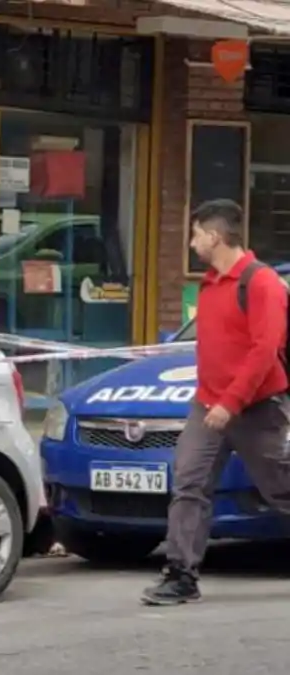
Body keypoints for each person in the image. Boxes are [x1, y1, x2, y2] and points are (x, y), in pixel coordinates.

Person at [142, 198, 290, 606]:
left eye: (195, 235)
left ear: (215, 236)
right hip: (207, 406)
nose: (191, 243)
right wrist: (214, 400)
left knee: (279, 488)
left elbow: (264, 351)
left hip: (255, 407)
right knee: (189, 484)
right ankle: (180, 575)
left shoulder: (261, 284)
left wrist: (232, 401)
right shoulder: (209, 284)